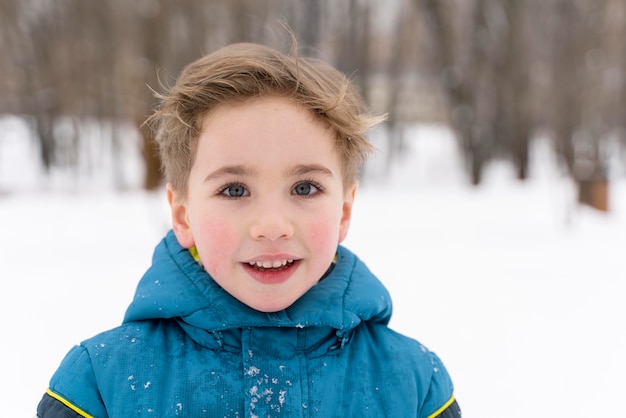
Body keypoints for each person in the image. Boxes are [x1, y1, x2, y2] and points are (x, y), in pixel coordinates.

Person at [37, 42, 461, 418]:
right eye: (235, 189)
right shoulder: (98, 385)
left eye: (305, 187)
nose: (272, 226)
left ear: (344, 211)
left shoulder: (413, 385)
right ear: (183, 215)